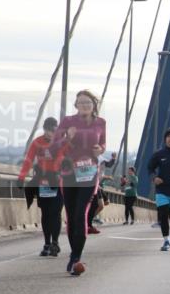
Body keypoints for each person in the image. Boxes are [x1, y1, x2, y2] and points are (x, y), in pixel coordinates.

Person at [50, 89, 106, 276]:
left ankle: (76, 258)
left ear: (93, 105)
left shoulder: (101, 123)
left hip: (89, 173)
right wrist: (67, 137)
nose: (84, 105)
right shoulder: (67, 122)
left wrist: (100, 149)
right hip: (68, 173)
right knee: (71, 215)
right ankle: (74, 256)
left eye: (88, 103)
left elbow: (103, 144)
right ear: (76, 105)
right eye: (81, 102)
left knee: (81, 212)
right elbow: (53, 147)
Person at [18, 116, 65, 256]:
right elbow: (29, 160)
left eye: (54, 131)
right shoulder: (37, 142)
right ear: (45, 129)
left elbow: (63, 158)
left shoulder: (61, 143)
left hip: (57, 181)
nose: (51, 133)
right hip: (42, 181)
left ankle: (55, 243)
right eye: (49, 130)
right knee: (46, 213)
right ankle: (47, 243)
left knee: (55, 213)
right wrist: (21, 177)